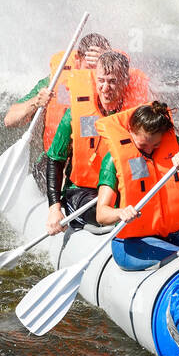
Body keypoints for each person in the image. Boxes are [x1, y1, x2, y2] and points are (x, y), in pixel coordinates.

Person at [95, 102, 179, 270]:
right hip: (132, 244)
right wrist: (121, 212)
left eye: (155, 145)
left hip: (170, 236)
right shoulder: (112, 160)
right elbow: (101, 213)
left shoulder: (172, 146)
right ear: (131, 132)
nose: (149, 150)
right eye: (143, 145)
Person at [44, 51, 132, 235]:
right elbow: (55, 159)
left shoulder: (135, 115)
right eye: (101, 80)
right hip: (81, 192)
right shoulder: (76, 113)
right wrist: (54, 208)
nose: (105, 88)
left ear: (125, 81)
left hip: (121, 189)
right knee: (110, 210)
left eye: (112, 81)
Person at [4, 32, 111, 142]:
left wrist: (109, 61)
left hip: (99, 156)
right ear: (78, 62)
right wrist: (37, 102)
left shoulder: (114, 84)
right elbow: (9, 120)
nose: (93, 74)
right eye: (89, 68)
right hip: (55, 156)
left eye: (98, 70)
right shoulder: (55, 81)